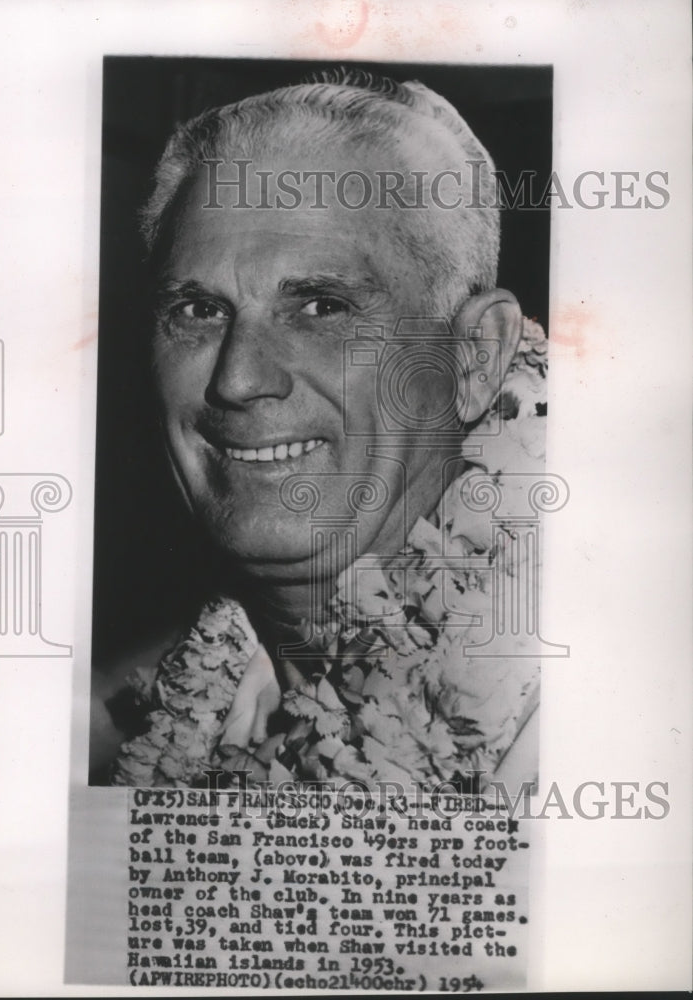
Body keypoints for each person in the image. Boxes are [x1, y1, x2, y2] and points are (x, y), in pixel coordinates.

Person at [99, 70, 548, 792]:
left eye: (320, 306)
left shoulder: (593, 709)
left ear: (474, 356)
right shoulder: (147, 714)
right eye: (197, 311)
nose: (238, 379)